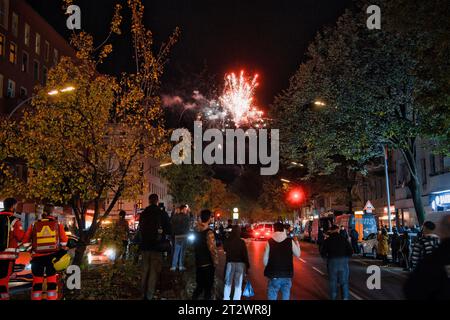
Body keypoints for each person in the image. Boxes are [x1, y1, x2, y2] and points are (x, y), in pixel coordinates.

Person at [23, 204, 68, 300]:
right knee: (51, 281)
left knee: (37, 282)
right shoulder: (57, 224)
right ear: (52, 212)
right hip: (52, 258)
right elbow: (64, 241)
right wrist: (60, 251)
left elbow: (25, 243)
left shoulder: (34, 224)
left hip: (37, 258)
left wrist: (32, 251)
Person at [404, 215, 450, 299]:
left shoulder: (421, 242)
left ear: (425, 228)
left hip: (427, 282)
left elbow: (414, 260)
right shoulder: (438, 241)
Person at [139, 193, 171, 300]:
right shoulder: (162, 214)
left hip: (145, 246)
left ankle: (142, 293)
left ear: (149, 201)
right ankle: (149, 295)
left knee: (144, 270)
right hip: (157, 247)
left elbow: (140, 229)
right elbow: (169, 230)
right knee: (153, 271)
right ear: (157, 201)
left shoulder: (143, 213)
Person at [263, 222, 300, 300]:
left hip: (274, 275)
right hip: (287, 274)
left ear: (274, 229)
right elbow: (298, 254)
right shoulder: (290, 241)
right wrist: (296, 242)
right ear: (283, 230)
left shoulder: (269, 242)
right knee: (285, 297)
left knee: (272, 296)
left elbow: (265, 261)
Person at [0, 198, 25, 300]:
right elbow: (21, 237)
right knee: (3, 281)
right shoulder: (14, 220)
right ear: (13, 206)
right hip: (7, 258)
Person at [320, 225, 353, 300]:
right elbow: (350, 251)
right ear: (338, 230)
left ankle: (333, 297)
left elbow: (323, 253)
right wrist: (345, 258)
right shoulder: (343, 239)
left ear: (331, 231)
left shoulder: (327, 240)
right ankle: (345, 298)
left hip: (332, 262)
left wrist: (327, 260)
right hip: (343, 262)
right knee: (344, 282)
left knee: (333, 282)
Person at [192, 209, 218, 300]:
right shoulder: (209, 233)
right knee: (208, 289)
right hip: (208, 264)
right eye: (211, 217)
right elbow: (212, 249)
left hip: (199, 262)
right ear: (208, 218)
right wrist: (215, 262)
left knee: (199, 287)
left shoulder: (196, 231)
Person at [223, 225, 249, 300]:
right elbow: (245, 255)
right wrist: (247, 266)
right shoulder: (241, 242)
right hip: (240, 264)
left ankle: (226, 298)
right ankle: (236, 299)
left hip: (230, 263)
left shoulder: (228, 241)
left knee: (228, 284)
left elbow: (225, 249)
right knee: (238, 285)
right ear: (239, 232)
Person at [170, 205, 190, 271]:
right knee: (182, 252)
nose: (186, 210)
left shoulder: (175, 216)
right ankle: (181, 266)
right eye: (185, 209)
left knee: (176, 251)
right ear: (183, 209)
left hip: (176, 236)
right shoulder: (186, 217)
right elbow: (187, 227)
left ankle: (173, 266)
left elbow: (172, 226)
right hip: (184, 235)